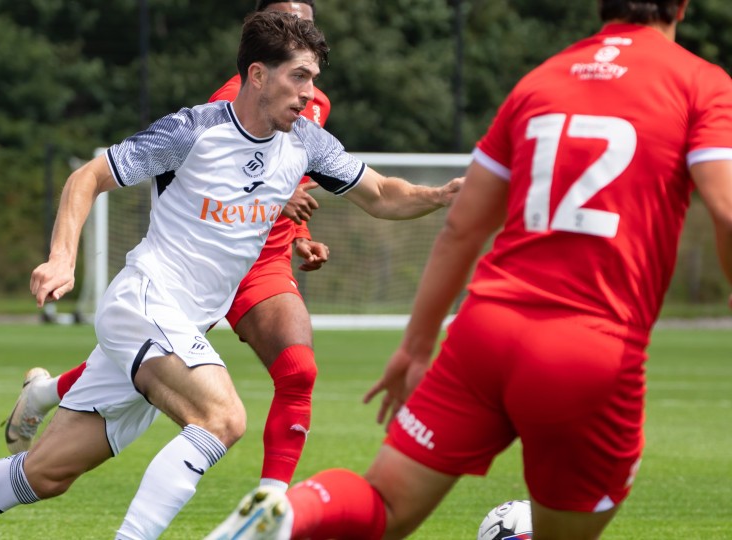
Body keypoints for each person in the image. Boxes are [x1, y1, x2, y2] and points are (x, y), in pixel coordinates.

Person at [0, 12, 461, 540]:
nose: (310, 93)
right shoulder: (194, 130)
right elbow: (87, 177)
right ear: (257, 74)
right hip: (145, 303)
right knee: (223, 418)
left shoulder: (306, 142)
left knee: (47, 473)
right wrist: (62, 257)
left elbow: (383, 194)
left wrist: (442, 195)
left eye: (314, 80)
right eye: (299, 77)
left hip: (179, 329)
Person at [205, 1, 732, 539]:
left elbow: (462, 229)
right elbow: (728, 209)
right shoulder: (701, 83)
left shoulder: (542, 80)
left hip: (485, 329)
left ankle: (290, 513)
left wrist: (415, 346)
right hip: (589, 347)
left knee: (384, 503)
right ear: (683, 7)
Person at [3, 0, 333, 494]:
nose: (301, 26)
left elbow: (292, 173)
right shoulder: (246, 89)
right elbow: (227, 160)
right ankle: (48, 393)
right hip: (205, 251)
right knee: (171, 382)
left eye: (306, 19)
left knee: (298, 370)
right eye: (289, 17)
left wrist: (302, 237)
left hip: (262, 258)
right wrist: (60, 258)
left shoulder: (313, 101)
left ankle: (269, 503)